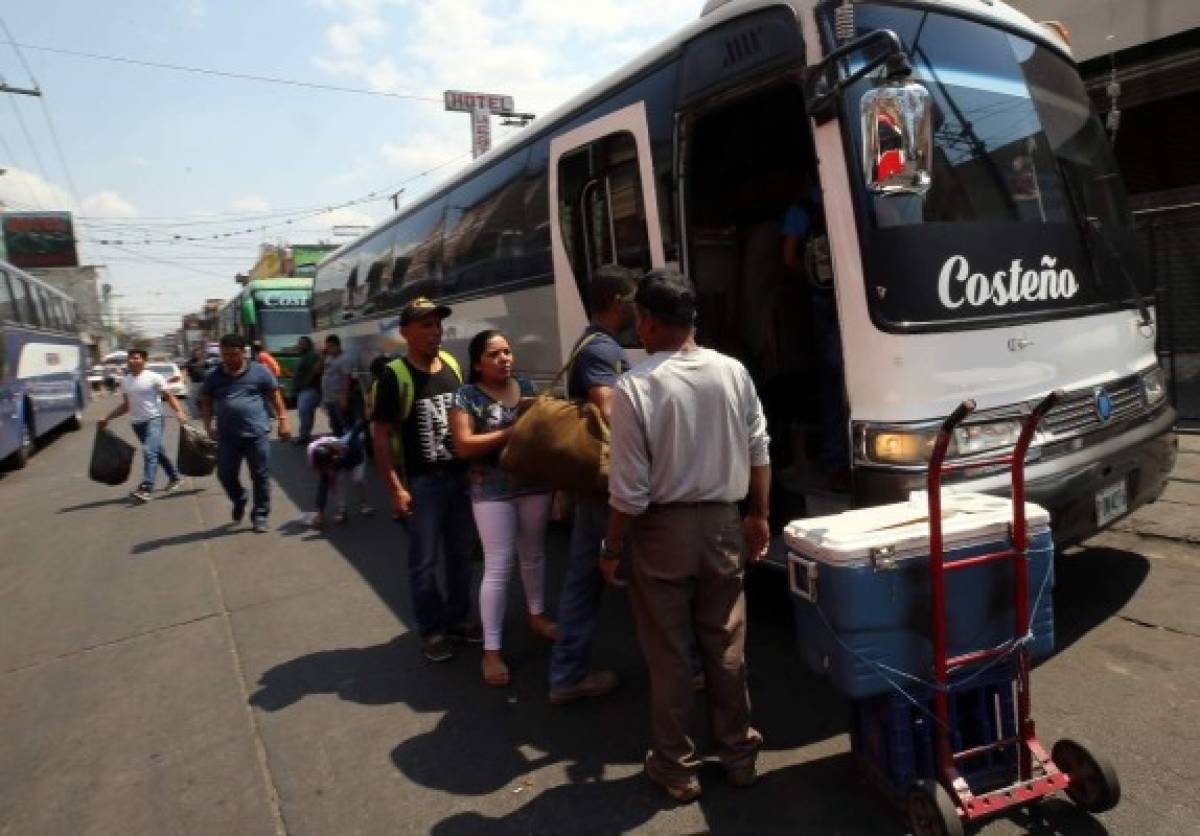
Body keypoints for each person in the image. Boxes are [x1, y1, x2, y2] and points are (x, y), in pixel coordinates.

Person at [601, 269, 771, 803]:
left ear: (648, 323)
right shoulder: (733, 372)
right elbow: (759, 448)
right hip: (724, 521)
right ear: (691, 320)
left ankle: (678, 768)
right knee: (725, 643)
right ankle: (738, 754)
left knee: (670, 654)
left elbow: (629, 491)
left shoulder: (636, 386)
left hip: (662, 532)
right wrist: (759, 514)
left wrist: (610, 547)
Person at [371, 297, 480, 662]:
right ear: (405, 333)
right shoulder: (394, 376)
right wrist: (396, 488)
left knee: (461, 555)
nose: (435, 332)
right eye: (426, 325)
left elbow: (466, 415)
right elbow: (381, 436)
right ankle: (432, 630)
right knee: (424, 562)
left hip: (460, 479)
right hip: (424, 484)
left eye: (437, 324)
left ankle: (459, 619)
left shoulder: (451, 364)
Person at [547, 265, 637, 706]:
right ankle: (689, 666)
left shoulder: (594, 343)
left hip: (597, 483)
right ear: (618, 301)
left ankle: (567, 673)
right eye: (633, 298)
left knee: (587, 576)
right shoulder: (601, 350)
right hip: (608, 482)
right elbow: (610, 411)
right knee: (618, 572)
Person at [449, 329, 556, 687]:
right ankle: (491, 652)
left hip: (534, 485)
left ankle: (537, 615)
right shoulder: (466, 396)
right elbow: (464, 446)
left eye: (507, 352)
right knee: (498, 567)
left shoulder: (525, 386)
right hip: (491, 490)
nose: (505, 359)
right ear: (477, 363)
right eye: (494, 354)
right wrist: (513, 432)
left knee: (535, 555)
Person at [781, 175, 850, 491]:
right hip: (863, 298)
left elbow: (788, 257)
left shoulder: (802, 207)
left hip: (823, 300)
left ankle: (837, 461)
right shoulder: (855, 194)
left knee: (833, 381)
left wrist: (814, 280)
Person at [201, 333, 291, 533]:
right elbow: (206, 401)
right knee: (225, 474)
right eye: (224, 355)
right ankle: (239, 498)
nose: (228, 359)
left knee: (260, 476)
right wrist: (208, 426)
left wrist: (283, 421)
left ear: (243, 353)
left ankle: (260, 514)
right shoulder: (214, 376)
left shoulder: (260, 372)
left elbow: (275, 396)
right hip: (227, 436)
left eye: (232, 354)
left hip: (256, 434)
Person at [99, 348, 188, 503]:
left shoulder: (154, 377)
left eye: (136, 358)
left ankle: (147, 487)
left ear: (144, 361)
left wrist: (179, 411)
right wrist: (107, 417)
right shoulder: (125, 381)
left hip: (154, 419)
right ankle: (174, 477)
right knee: (156, 452)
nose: (133, 360)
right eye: (131, 358)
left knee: (149, 451)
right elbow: (126, 406)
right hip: (137, 424)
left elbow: (169, 396)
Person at [306, 423, 373, 528]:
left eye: (329, 466)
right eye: (326, 467)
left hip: (356, 457)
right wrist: (320, 512)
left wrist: (367, 421)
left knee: (358, 479)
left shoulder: (344, 445)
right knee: (339, 483)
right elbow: (323, 484)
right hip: (338, 458)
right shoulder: (314, 456)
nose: (327, 469)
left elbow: (357, 428)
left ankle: (364, 504)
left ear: (334, 457)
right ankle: (342, 511)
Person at [321, 334, 352, 437]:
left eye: (331, 346)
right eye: (327, 347)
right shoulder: (328, 358)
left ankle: (351, 448)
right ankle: (339, 445)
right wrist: (322, 356)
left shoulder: (344, 359)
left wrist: (344, 398)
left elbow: (346, 379)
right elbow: (319, 370)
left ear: (338, 346)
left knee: (345, 423)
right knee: (334, 425)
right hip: (328, 398)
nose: (329, 349)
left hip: (338, 398)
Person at [293, 336, 322, 445]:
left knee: (304, 413)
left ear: (308, 345)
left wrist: (306, 384)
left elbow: (314, 371)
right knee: (306, 414)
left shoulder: (311, 356)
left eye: (302, 343)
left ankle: (304, 436)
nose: (299, 345)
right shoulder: (303, 356)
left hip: (309, 390)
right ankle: (305, 435)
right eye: (299, 343)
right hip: (304, 391)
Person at [183, 345, 209, 418]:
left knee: (205, 399)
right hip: (195, 384)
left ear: (201, 353)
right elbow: (185, 371)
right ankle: (196, 415)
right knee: (190, 400)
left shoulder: (204, 362)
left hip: (205, 383)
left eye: (198, 352)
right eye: (195, 353)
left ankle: (207, 413)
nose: (197, 354)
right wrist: (184, 380)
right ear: (193, 354)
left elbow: (210, 371)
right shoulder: (190, 362)